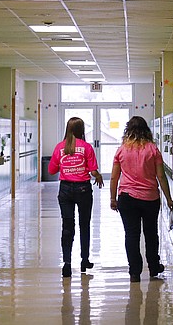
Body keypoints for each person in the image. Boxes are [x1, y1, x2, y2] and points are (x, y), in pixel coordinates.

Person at [110, 116, 173, 282]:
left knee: (131, 235)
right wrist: (169, 199)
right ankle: (154, 267)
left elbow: (114, 178)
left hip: (127, 198)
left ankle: (134, 272)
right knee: (151, 233)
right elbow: (161, 176)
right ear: (146, 130)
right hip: (149, 198)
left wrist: (113, 198)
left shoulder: (121, 150)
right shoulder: (153, 149)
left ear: (128, 130)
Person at [48, 116, 104, 278]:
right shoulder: (86, 147)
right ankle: (84, 260)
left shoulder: (59, 147)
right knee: (84, 224)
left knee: (67, 226)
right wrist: (98, 176)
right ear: (81, 130)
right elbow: (93, 171)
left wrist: (64, 164)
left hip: (65, 189)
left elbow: (51, 170)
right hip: (83, 189)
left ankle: (67, 264)